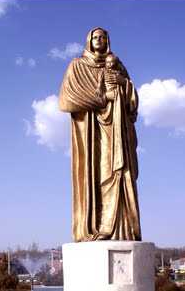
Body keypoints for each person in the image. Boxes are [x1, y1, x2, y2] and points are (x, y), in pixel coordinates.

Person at [59, 27, 141, 242]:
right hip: (90, 131)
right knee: (97, 175)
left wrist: (123, 85)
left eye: (103, 37)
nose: (99, 40)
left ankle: (119, 229)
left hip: (117, 130)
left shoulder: (117, 65)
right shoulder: (78, 66)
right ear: (89, 40)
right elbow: (67, 100)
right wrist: (104, 98)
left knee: (118, 173)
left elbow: (132, 100)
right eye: (96, 37)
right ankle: (96, 226)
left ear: (108, 41)